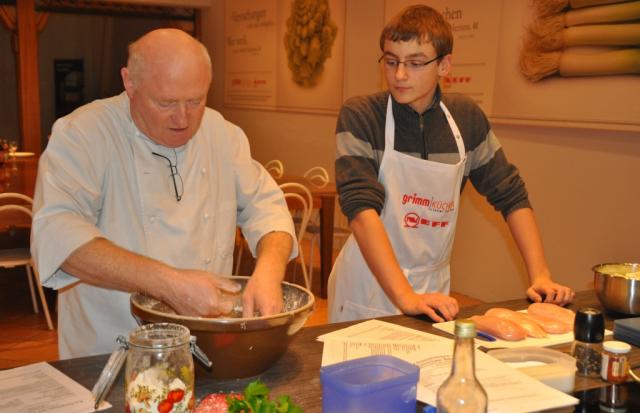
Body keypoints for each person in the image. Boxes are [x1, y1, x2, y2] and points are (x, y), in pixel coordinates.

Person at [31, 29, 297, 358]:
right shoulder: (84, 134)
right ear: (129, 83)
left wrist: (269, 270)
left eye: (196, 101)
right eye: (166, 102)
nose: (183, 118)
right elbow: (58, 235)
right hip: (110, 352)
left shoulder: (222, 135)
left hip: (208, 351)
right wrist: (169, 284)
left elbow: (267, 207)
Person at [328, 5, 574, 324]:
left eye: (415, 63)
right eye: (391, 61)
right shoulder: (362, 116)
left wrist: (540, 275)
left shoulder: (465, 119)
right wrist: (406, 297)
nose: (400, 74)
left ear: (444, 65)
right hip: (368, 286)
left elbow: (511, 195)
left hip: (433, 286)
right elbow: (361, 211)